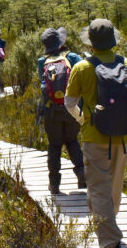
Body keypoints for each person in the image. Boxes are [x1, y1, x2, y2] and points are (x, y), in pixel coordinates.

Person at [65, 19, 127, 248]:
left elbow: (69, 102)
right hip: (122, 138)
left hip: (94, 138)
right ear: (113, 41)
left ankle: (110, 240)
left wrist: (83, 119)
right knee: (113, 190)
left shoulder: (82, 67)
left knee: (99, 192)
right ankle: (109, 229)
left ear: (91, 42)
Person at [37, 27, 87, 195]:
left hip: (51, 111)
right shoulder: (72, 57)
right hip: (72, 108)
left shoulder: (41, 62)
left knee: (55, 145)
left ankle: (54, 184)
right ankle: (82, 175)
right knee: (72, 141)